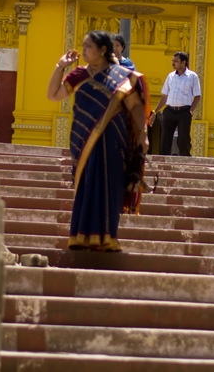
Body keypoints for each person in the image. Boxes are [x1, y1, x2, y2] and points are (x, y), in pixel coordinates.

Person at [47, 30, 150, 251]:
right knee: (87, 186)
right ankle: (80, 237)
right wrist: (60, 66)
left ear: (103, 50)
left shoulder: (123, 76)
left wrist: (143, 133)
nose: (84, 50)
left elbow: (134, 106)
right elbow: (53, 95)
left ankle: (108, 238)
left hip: (113, 141)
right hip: (84, 141)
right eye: (83, 46)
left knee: (109, 187)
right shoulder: (78, 75)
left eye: (89, 46)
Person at [149, 51, 201, 156]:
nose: (173, 63)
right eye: (173, 61)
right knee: (165, 139)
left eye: (176, 61)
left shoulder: (192, 77)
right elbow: (164, 96)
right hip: (169, 111)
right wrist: (155, 112)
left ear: (183, 62)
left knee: (183, 140)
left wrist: (190, 112)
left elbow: (197, 96)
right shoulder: (170, 76)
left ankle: (185, 162)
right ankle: (163, 163)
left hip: (184, 112)